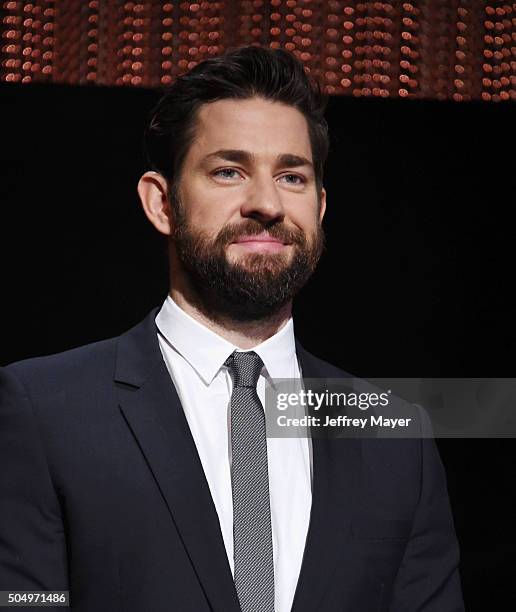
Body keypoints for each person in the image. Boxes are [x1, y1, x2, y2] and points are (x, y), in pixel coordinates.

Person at [0, 46, 464, 612]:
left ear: (319, 208)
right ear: (162, 202)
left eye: (291, 176)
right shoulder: (42, 409)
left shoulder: (397, 438)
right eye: (228, 171)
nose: (266, 203)